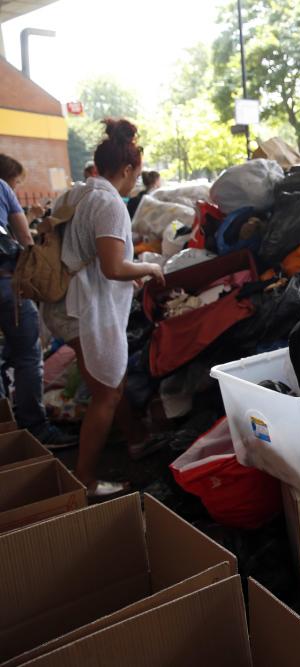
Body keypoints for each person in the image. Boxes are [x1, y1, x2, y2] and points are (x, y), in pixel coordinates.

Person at [41, 119, 165, 499]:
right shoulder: (108, 201)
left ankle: (135, 438)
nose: (134, 183)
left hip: (64, 302)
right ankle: (86, 481)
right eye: (135, 175)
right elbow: (113, 267)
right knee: (107, 393)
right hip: (84, 308)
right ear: (126, 169)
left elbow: (67, 242)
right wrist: (149, 268)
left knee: (112, 378)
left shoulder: (76, 193)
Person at [0, 154, 77, 447]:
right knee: (28, 355)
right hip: (8, 283)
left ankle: (5, 428)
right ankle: (35, 428)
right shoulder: (1, 188)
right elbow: (25, 241)